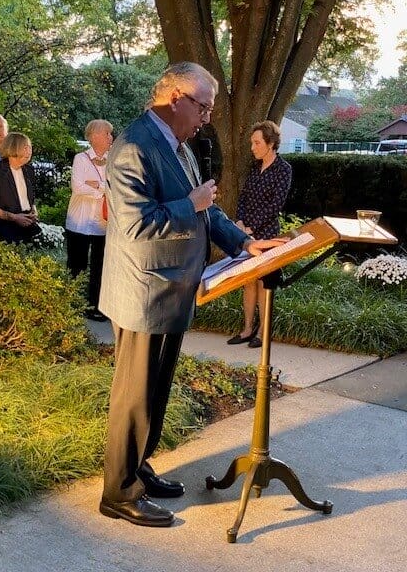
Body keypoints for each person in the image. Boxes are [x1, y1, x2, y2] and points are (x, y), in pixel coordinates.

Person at [98, 62, 286, 528]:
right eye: (203, 106)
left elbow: (207, 207)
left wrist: (243, 242)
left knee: (155, 392)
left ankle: (138, 468)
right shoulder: (134, 146)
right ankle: (118, 493)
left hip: (173, 288)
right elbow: (138, 223)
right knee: (135, 396)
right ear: (176, 96)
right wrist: (192, 204)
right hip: (144, 292)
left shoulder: (176, 144)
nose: (206, 117)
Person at [227, 120, 292, 347]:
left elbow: (275, 205)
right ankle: (246, 329)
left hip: (267, 236)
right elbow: (243, 198)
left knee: (265, 284)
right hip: (247, 234)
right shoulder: (254, 169)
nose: (252, 147)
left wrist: (251, 227)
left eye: (257, 143)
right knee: (248, 281)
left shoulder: (283, 170)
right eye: (252, 143)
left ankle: (262, 333)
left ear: (271, 143)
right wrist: (240, 223)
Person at [65, 120, 113, 322]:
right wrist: (103, 188)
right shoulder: (80, 159)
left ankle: (96, 305)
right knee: (77, 264)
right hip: (80, 221)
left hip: (102, 222)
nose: (111, 137)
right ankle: (73, 303)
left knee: (99, 266)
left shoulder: (113, 160)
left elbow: (115, 186)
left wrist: (97, 185)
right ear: (94, 136)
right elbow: (77, 187)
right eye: (108, 134)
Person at [0, 132, 39, 244]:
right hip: (3, 230)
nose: (29, 151)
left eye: (30, 148)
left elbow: (31, 197)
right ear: (13, 147)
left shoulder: (29, 170)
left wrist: (33, 210)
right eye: (25, 147)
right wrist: (15, 218)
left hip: (28, 227)